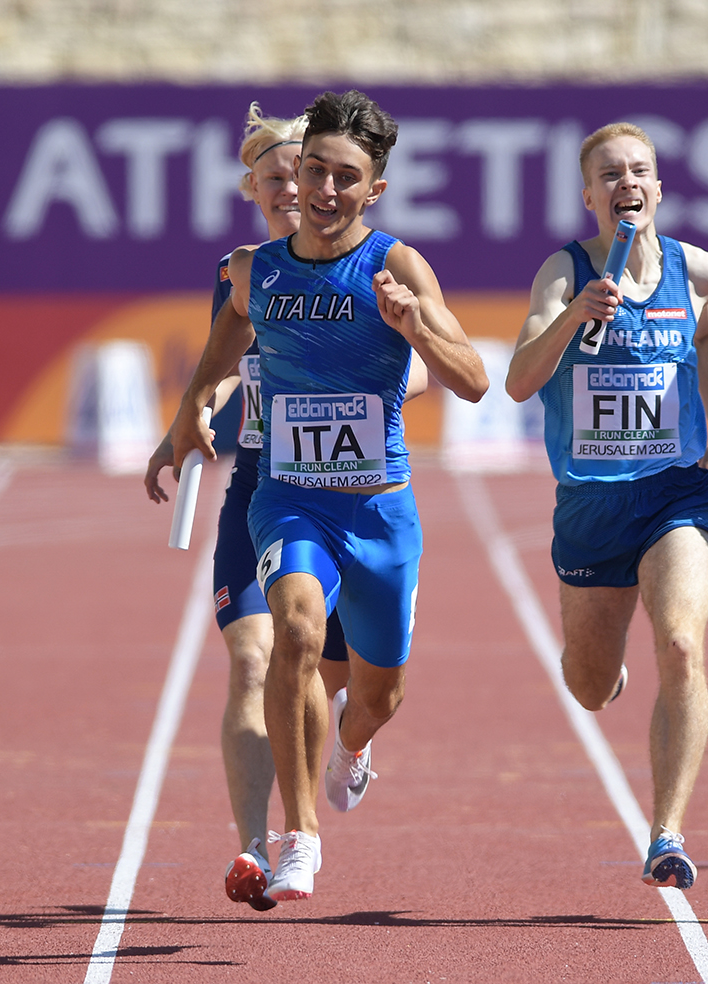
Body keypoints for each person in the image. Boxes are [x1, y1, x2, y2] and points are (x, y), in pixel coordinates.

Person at [168, 89, 488, 903]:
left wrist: (414, 326)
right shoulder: (255, 270)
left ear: (372, 189)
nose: (323, 189)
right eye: (314, 170)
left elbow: (474, 381)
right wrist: (191, 410)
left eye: (345, 177)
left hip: (378, 511)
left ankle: (352, 743)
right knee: (296, 630)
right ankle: (299, 836)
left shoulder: (396, 265)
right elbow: (224, 341)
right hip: (289, 498)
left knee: (379, 695)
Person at [504, 122, 708, 892]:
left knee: (681, 643)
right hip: (591, 504)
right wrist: (574, 316)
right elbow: (518, 380)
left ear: (658, 188)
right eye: (609, 174)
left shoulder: (697, 270)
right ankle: (605, 674)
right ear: (589, 196)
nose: (625, 184)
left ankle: (665, 832)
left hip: (674, 492)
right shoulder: (563, 273)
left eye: (638, 171)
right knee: (587, 684)